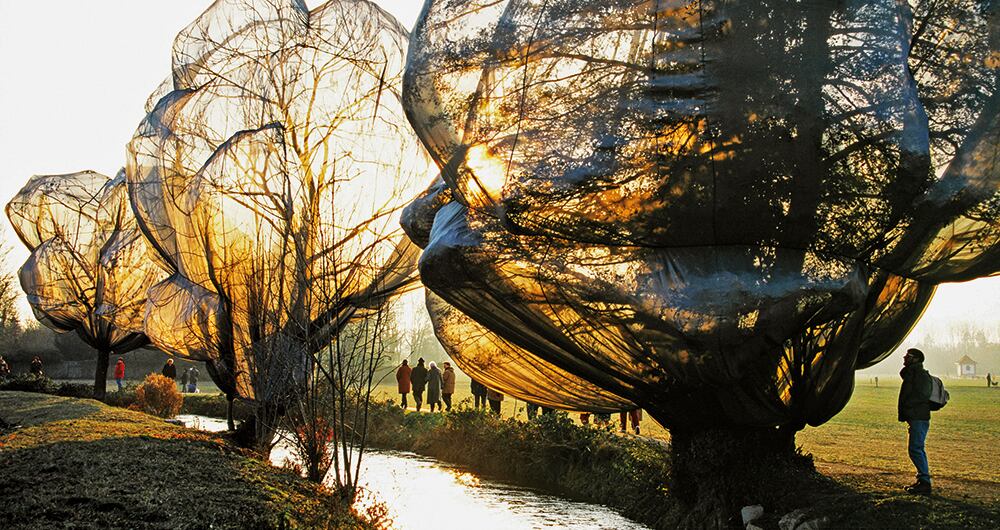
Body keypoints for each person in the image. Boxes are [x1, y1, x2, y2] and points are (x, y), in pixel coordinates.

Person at [898, 348, 933, 495]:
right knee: (916, 448)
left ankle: (925, 482)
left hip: (919, 416)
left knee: (916, 449)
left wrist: (909, 407)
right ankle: (922, 480)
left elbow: (923, 395)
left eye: (908, 356)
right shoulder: (912, 374)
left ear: (916, 359)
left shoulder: (920, 375)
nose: (905, 357)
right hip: (916, 416)